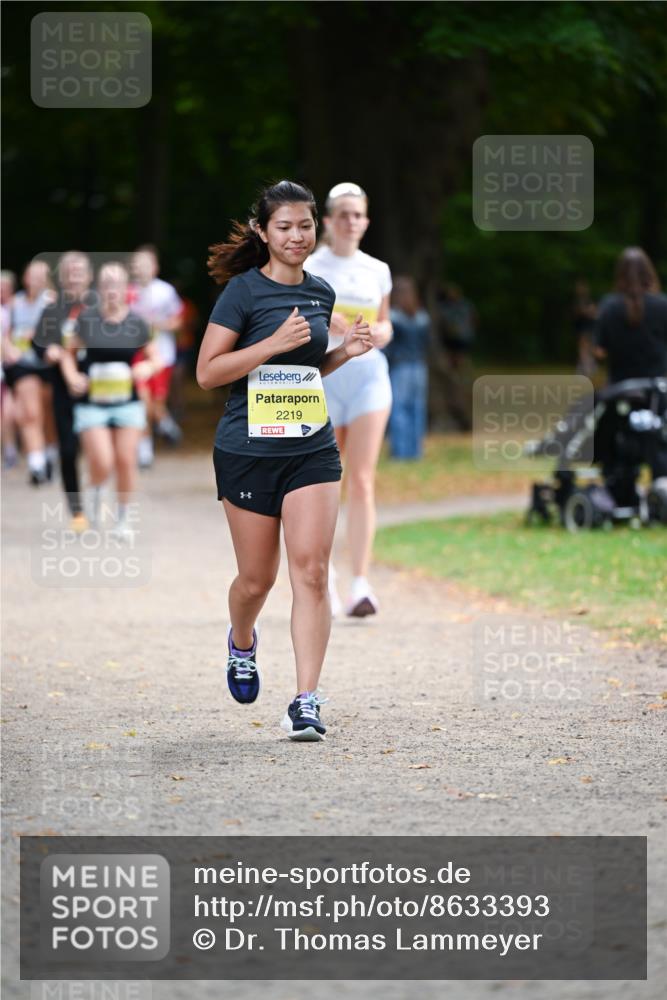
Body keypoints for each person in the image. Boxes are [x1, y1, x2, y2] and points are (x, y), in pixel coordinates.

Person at [197, 180, 372, 741]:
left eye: (305, 225)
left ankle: (306, 701)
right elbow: (208, 373)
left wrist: (343, 353)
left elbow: (304, 371)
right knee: (256, 580)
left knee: (313, 573)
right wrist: (270, 343)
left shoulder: (321, 292)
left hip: (310, 449)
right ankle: (241, 642)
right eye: (284, 227)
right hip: (248, 451)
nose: (297, 236)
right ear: (262, 231)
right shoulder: (242, 293)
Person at [305, 182, 393, 618]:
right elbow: (295, 320)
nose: (351, 221)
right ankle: (325, 578)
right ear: (328, 220)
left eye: (357, 215)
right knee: (325, 482)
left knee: (361, 480)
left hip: (369, 380)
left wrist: (380, 332)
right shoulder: (310, 266)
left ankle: (360, 583)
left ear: (366, 221)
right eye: (343, 214)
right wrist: (327, 321)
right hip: (324, 377)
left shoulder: (378, 269)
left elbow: (387, 324)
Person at [59, 262, 161, 539]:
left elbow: (156, 358)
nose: (111, 290)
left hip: (127, 402)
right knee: (103, 461)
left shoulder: (137, 322)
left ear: (125, 288)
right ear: (99, 289)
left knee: (126, 460)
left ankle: (123, 521)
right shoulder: (86, 319)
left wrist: (146, 368)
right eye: (106, 284)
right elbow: (68, 355)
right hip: (92, 404)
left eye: (116, 284)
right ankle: (96, 487)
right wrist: (72, 377)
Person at [593, 246, 667, 499]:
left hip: (621, 395)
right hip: (657, 393)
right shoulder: (662, 305)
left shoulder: (609, 307)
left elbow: (599, 352)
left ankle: (617, 484)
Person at [33, 252, 94, 531]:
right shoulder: (52, 310)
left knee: (98, 450)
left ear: (89, 276)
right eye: (69, 272)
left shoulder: (99, 306)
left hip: (97, 389)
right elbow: (38, 343)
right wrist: (50, 351)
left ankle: (101, 498)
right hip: (63, 389)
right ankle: (76, 510)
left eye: (79, 271)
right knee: (68, 451)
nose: (74, 277)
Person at [1, 260, 56, 483]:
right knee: (31, 412)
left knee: (48, 415)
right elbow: (5, 333)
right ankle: (36, 464)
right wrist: (8, 348)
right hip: (23, 364)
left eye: (41, 276)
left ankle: (49, 454)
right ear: (25, 278)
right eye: (32, 275)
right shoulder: (14, 304)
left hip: (48, 365)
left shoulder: (52, 302)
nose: (36, 280)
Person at [129, 245, 184, 465]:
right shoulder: (128, 292)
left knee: (156, 404)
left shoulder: (165, 291)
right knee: (143, 401)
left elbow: (178, 321)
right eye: (137, 264)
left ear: (155, 267)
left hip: (163, 354)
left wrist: (158, 324)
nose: (140, 268)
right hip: (137, 355)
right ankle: (145, 451)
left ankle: (165, 423)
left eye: (145, 264)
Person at [385, 276, 431, 460]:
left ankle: (401, 452)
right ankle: (416, 451)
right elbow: (427, 343)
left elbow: (388, 345)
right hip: (419, 367)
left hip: (400, 367)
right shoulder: (422, 316)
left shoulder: (393, 317)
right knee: (417, 409)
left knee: (399, 409)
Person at [1, 270, 19, 468]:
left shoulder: (16, 307)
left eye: (5, 288)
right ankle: (9, 449)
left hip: (15, 366)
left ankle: (11, 449)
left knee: (9, 411)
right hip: (4, 366)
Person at [572, 278, 598, 377]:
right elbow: (578, 312)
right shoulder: (577, 301)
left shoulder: (587, 300)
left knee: (586, 347)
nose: (580, 289)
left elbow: (594, 312)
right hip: (581, 326)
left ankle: (588, 367)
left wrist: (587, 311)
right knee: (583, 347)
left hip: (588, 326)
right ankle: (585, 366)